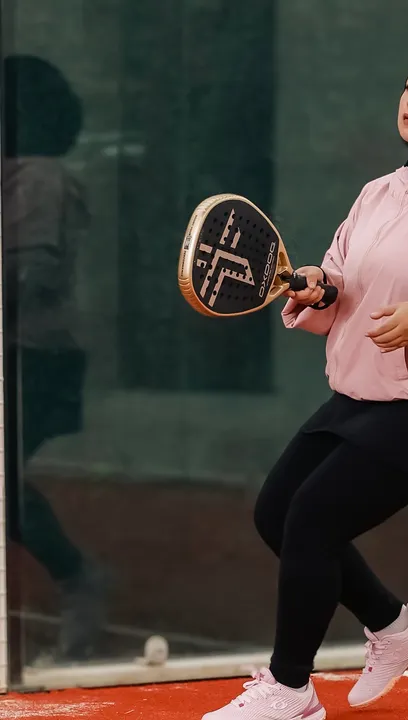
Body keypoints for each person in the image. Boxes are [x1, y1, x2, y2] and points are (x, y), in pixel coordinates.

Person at [203, 48, 408, 720]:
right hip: (361, 396)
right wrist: (321, 286)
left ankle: (291, 690)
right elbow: (343, 282)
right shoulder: (377, 193)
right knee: (277, 513)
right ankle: (395, 625)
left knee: (313, 519)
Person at [3, 54, 107, 664]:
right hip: (22, 351)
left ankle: (78, 580)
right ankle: (78, 581)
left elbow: (29, 274)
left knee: (3, 487)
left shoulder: (40, 176)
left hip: (34, 356)